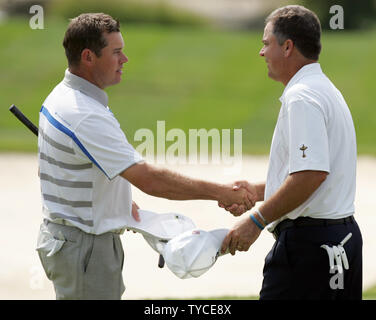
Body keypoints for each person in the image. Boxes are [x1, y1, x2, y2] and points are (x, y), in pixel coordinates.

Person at [36, 12, 256, 300]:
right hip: (86, 248)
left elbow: (69, 168)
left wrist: (114, 198)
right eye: (116, 52)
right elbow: (150, 180)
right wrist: (222, 191)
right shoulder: (84, 114)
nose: (124, 59)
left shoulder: (62, 96)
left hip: (71, 241)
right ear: (88, 57)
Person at [220, 5, 362, 300]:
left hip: (310, 249)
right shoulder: (325, 89)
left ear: (287, 47)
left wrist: (255, 220)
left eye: (266, 43)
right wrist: (261, 190)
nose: (261, 53)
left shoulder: (302, 97)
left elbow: (311, 175)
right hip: (340, 241)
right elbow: (317, 170)